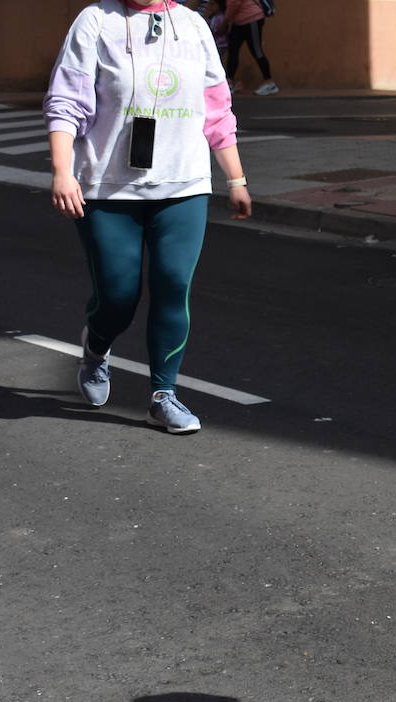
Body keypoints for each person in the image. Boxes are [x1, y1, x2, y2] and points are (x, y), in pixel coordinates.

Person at [44, 0, 252, 434]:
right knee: (118, 296)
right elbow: (66, 101)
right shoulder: (96, 21)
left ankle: (163, 394)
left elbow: (216, 107)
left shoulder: (194, 25)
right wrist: (63, 171)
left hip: (183, 186)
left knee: (173, 285)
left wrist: (235, 178)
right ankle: (97, 350)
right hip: (106, 187)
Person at [224, 0, 277, 96]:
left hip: (252, 19)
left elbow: (234, 3)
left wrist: (225, 21)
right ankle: (229, 82)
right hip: (238, 21)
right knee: (233, 50)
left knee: (256, 50)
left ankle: (269, 83)